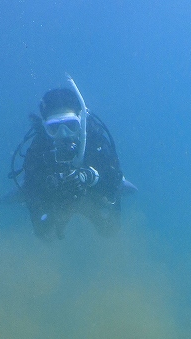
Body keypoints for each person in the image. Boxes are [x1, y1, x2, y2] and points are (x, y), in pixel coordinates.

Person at [8, 76, 135, 240]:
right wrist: (49, 183)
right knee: (44, 234)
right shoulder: (40, 147)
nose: (63, 134)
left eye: (70, 125)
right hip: (55, 202)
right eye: (54, 128)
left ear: (81, 122)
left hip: (92, 197)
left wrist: (92, 177)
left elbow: (115, 179)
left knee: (110, 230)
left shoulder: (95, 140)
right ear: (45, 128)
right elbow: (30, 186)